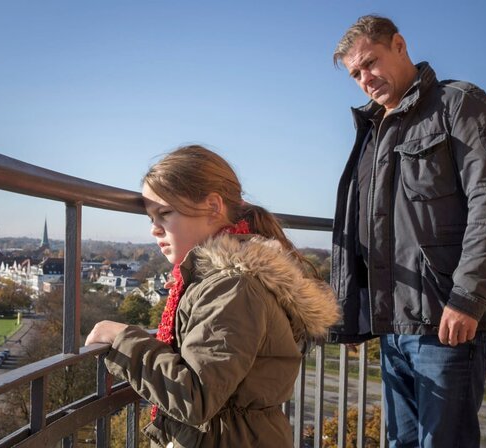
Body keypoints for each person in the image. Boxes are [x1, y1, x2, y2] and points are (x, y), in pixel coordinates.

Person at [328, 15, 486, 447]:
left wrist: (467, 299)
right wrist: (353, 314)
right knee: (402, 442)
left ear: (399, 45)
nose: (365, 79)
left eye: (370, 63)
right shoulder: (374, 132)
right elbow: (371, 230)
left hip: (449, 322)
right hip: (396, 326)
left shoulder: (461, 105)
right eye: (355, 73)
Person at [85, 145, 340, 447]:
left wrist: (122, 339)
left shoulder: (233, 288)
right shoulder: (226, 282)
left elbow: (195, 398)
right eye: (150, 217)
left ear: (213, 207)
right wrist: (192, 293)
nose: (154, 229)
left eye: (164, 213)